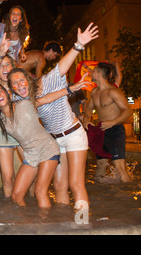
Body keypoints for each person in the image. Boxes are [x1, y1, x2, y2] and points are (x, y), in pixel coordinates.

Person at [33, 23, 99, 209]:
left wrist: (78, 45)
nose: (21, 84)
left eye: (24, 80)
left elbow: (61, 67)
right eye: (18, 83)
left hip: (73, 135)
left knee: (75, 184)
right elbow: (40, 103)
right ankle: (64, 226)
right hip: (56, 141)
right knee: (59, 186)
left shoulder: (48, 81)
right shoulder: (27, 100)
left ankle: (82, 225)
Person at [0, 81, 59, 208]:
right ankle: (27, 223)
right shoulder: (1, 119)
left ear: (7, 93)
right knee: (16, 196)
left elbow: (45, 99)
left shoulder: (23, 104)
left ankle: (47, 225)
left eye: (0, 91)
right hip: (31, 155)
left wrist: (69, 90)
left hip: (47, 149)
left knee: (40, 191)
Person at [0, 39, 24, 198]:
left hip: (23, 132)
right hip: (2, 134)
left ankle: (32, 207)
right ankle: (11, 210)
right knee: (8, 177)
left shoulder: (21, 84)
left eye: (7, 64)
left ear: (13, 67)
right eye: (1, 66)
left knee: (33, 167)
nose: (4, 68)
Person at [83, 62, 132, 183]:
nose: (91, 73)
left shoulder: (113, 92)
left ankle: (129, 195)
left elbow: (128, 110)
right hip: (101, 131)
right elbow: (89, 108)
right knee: (100, 166)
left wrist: (113, 122)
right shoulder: (94, 92)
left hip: (115, 130)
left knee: (120, 169)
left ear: (99, 73)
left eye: (93, 71)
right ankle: (101, 197)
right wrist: (86, 118)